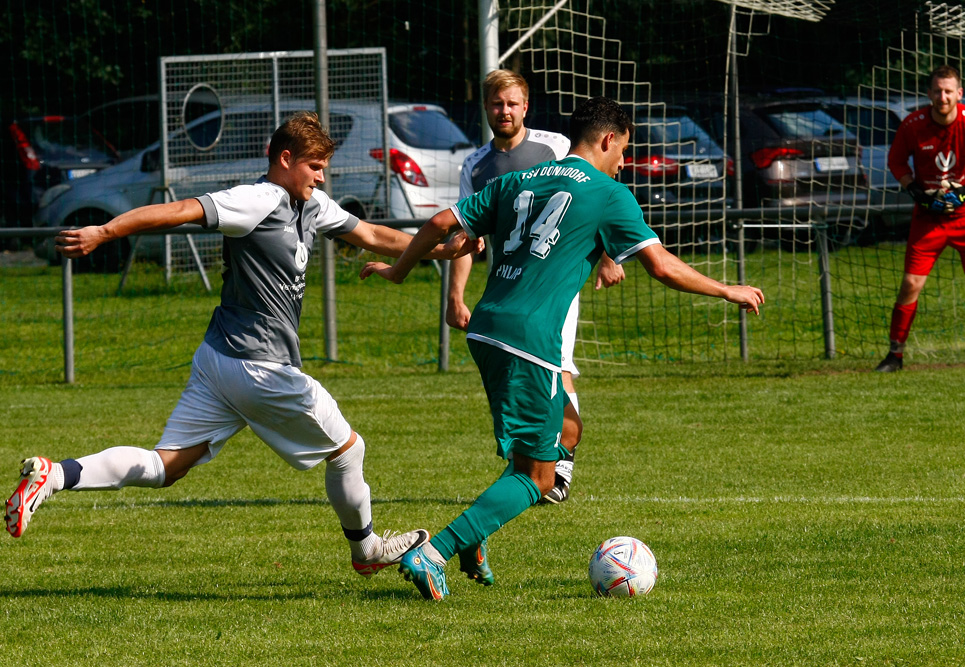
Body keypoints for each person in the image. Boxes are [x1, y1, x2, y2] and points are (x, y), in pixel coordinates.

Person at [4, 111, 482, 578]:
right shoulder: (257, 198)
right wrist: (105, 231)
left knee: (164, 466)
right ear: (285, 158)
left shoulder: (311, 205)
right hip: (258, 366)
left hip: (219, 361)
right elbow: (179, 211)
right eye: (314, 167)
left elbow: (373, 234)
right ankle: (368, 549)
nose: (321, 177)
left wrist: (440, 249)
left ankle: (54, 474)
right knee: (348, 450)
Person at [361, 96, 764, 600]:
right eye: (624, 151)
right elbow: (662, 267)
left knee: (568, 428)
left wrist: (400, 270)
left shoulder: (515, 180)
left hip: (487, 328)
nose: (623, 163)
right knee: (538, 476)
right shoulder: (608, 193)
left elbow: (444, 224)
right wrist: (728, 289)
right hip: (530, 340)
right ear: (608, 139)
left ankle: (475, 535)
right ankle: (436, 549)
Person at [450, 69, 625, 504]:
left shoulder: (556, 147)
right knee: (533, 377)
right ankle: (535, 462)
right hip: (508, 288)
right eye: (496, 103)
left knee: (559, 368)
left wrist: (608, 256)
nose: (504, 111)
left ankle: (557, 466)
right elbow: (465, 238)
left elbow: (600, 193)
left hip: (553, 287)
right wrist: (456, 295)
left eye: (512, 103)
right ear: (486, 108)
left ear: (526, 107)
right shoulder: (474, 166)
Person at [875, 64, 965, 372]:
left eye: (948, 91)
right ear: (929, 94)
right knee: (910, 283)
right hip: (929, 216)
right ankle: (895, 355)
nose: (942, 97)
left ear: (959, 93)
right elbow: (895, 161)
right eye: (937, 91)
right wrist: (917, 192)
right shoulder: (912, 124)